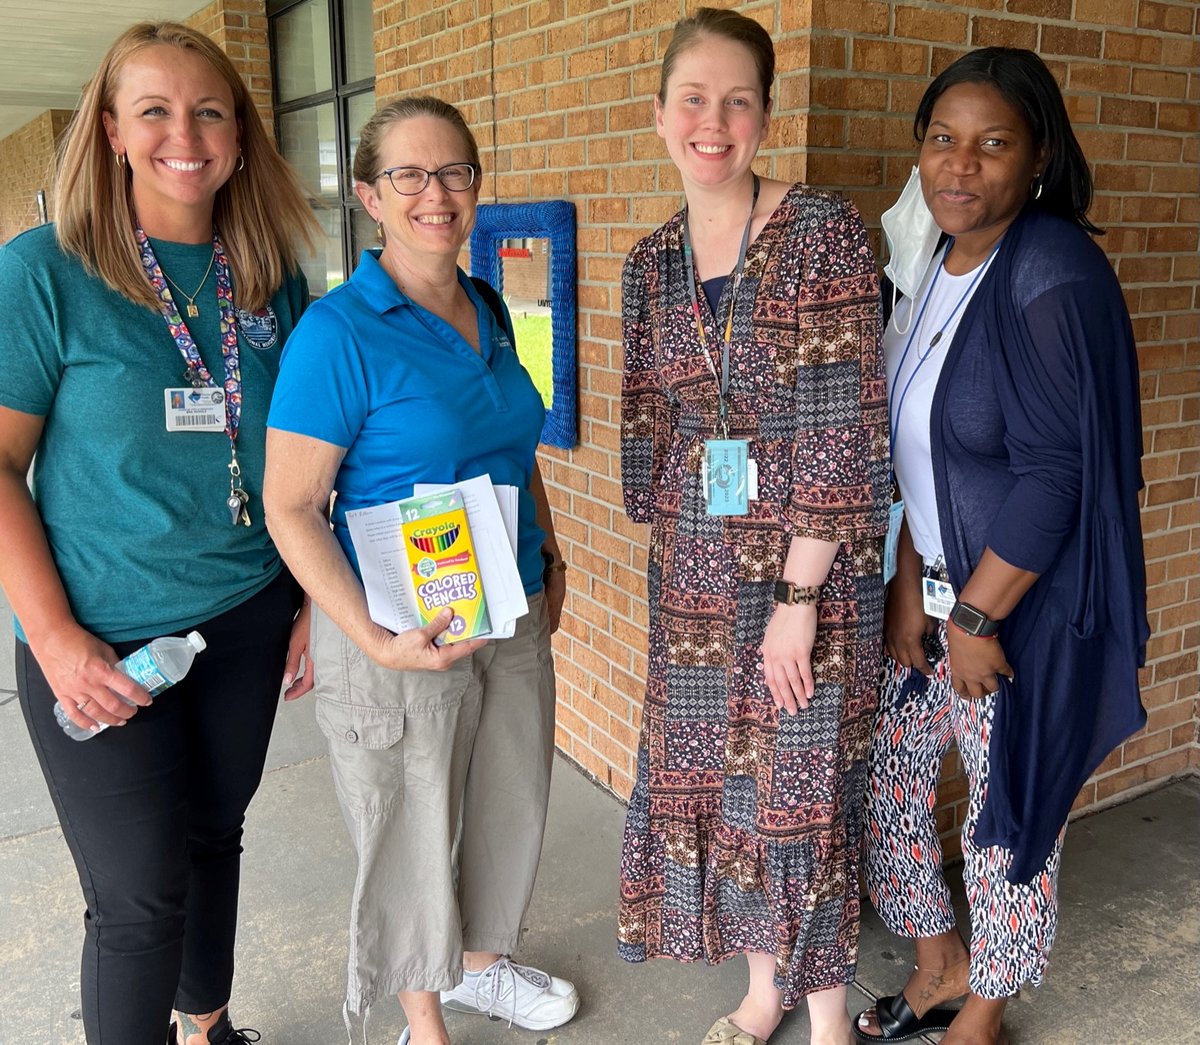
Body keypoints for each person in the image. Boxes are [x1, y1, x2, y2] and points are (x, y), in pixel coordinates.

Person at [0, 21, 320, 1045]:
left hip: (248, 611)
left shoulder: (270, 275)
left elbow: (304, 460)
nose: (186, 133)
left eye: (210, 109)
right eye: (155, 110)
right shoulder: (46, 272)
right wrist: (52, 637)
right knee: (137, 901)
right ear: (111, 131)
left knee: (213, 839)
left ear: (239, 132)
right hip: (103, 637)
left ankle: (208, 1028)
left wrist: (309, 595)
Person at [263, 97, 579, 1045]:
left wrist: (552, 554)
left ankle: (481, 968)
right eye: (408, 174)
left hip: (506, 605)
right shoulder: (339, 332)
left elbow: (515, 449)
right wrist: (372, 638)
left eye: (454, 173)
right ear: (368, 194)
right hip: (399, 629)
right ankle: (423, 1018)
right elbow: (290, 507)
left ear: (476, 187)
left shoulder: (486, 305)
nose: (434, 193)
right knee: (407, 821)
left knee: (505, 800)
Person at [855, 48, 1148, 1045]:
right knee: (888, 784)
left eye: (992, 144)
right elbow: (921, 449)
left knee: (1008, 819)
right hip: (933, 593)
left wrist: (974, 614)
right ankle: (940, 967)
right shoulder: (935, 261)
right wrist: (908, 582)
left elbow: (1057, 474)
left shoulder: (1051, 273)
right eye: (942, 139)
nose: (959, 165)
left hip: (1015, 616)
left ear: (1038, 158)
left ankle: (983, 1013)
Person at [617, 9, 890, 1045]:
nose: (714, 121)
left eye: (738, 99)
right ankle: (763, 990)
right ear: (660, 115)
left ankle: (826, 1023)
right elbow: (651, 409)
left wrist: (796, 597)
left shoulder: (821, 229)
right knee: (725, 788)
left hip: (804, 564)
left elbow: (843, 421)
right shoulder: (651, 261)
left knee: (800, 790)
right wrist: (666, 522)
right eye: (694, 98)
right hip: (694, 568)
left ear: (767, 116)